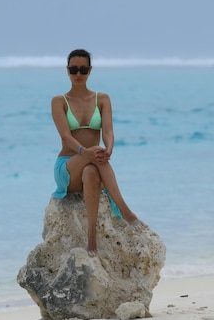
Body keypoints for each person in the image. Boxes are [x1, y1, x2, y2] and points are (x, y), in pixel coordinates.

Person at [51, 49, 146, 257]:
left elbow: (108, 131)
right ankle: (126, 211)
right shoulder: (59, 101)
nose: (78, 73)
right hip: (68, 166)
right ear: (67, 71)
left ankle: (91, 237)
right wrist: (84, 152)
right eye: (73, 69)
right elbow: (66, 136)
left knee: (92, 172)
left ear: (90, 70)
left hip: (93, 164)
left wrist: (109, 149)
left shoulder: (101, 99)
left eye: (83, 69)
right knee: (94, 155)